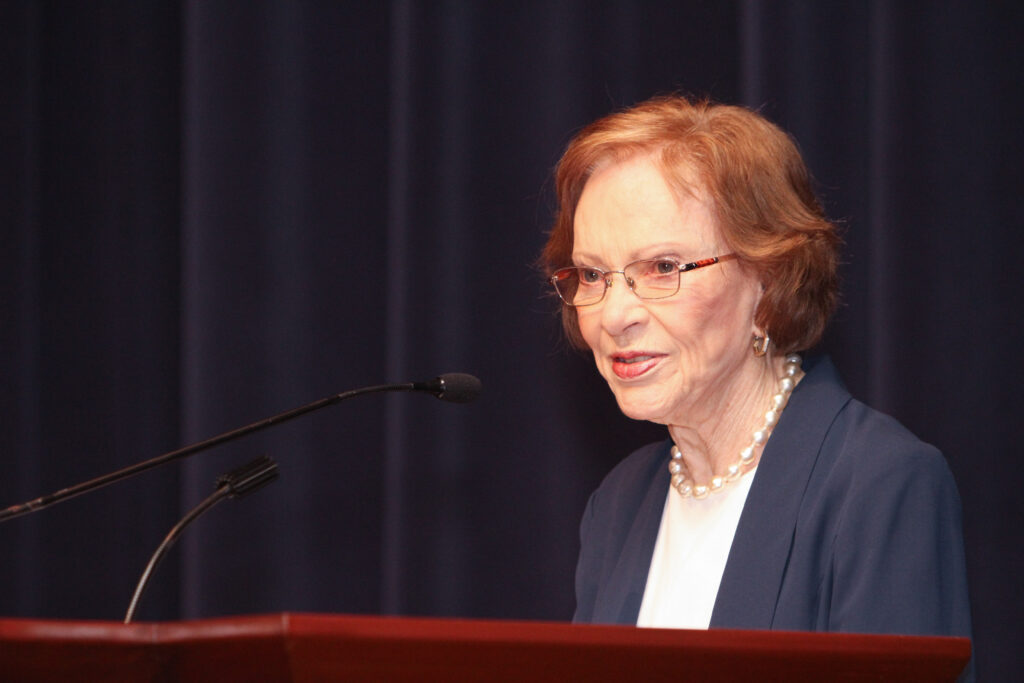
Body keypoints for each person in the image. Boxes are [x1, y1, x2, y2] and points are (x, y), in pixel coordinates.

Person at [542, 96, 972, 667]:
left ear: (769, 281)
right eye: (593, 274)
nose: (614, 314)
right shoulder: (619, 503)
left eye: (663, 267)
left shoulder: (879, 486)